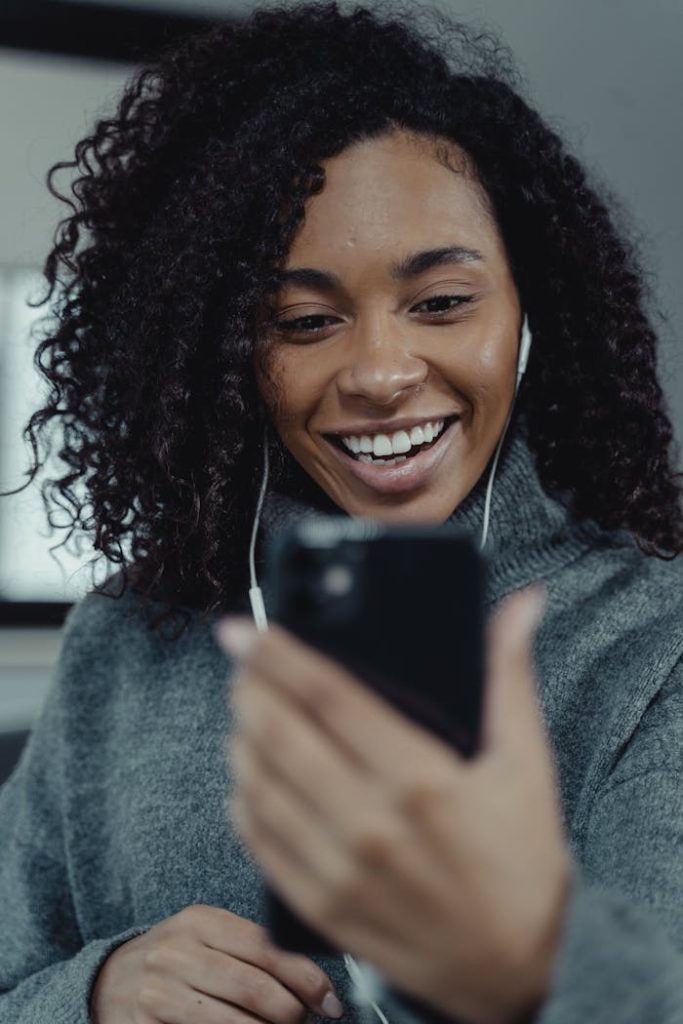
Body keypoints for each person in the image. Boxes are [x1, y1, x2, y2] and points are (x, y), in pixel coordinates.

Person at [0, 2, 681, 1022]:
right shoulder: (125, 641)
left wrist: (522, 961)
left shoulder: (651, 645)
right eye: (305, 321)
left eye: (442, 302)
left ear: (528, 310)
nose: (378, 373)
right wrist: (91, 995)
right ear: (229, 353)